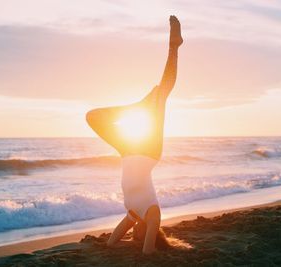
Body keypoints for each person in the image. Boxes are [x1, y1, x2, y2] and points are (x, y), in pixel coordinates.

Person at [86, 15, 183, 254]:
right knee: (161, 95)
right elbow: (148, 251)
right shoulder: (153, 215)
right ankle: (174, 47)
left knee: (92, 117)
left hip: (127, 152)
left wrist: (128, 240)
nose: (134, 233)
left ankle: (139, 106)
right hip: (149, 153)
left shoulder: (131, 214)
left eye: (135, 235)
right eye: (137, 235)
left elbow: (112, 242)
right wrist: (142, 241)